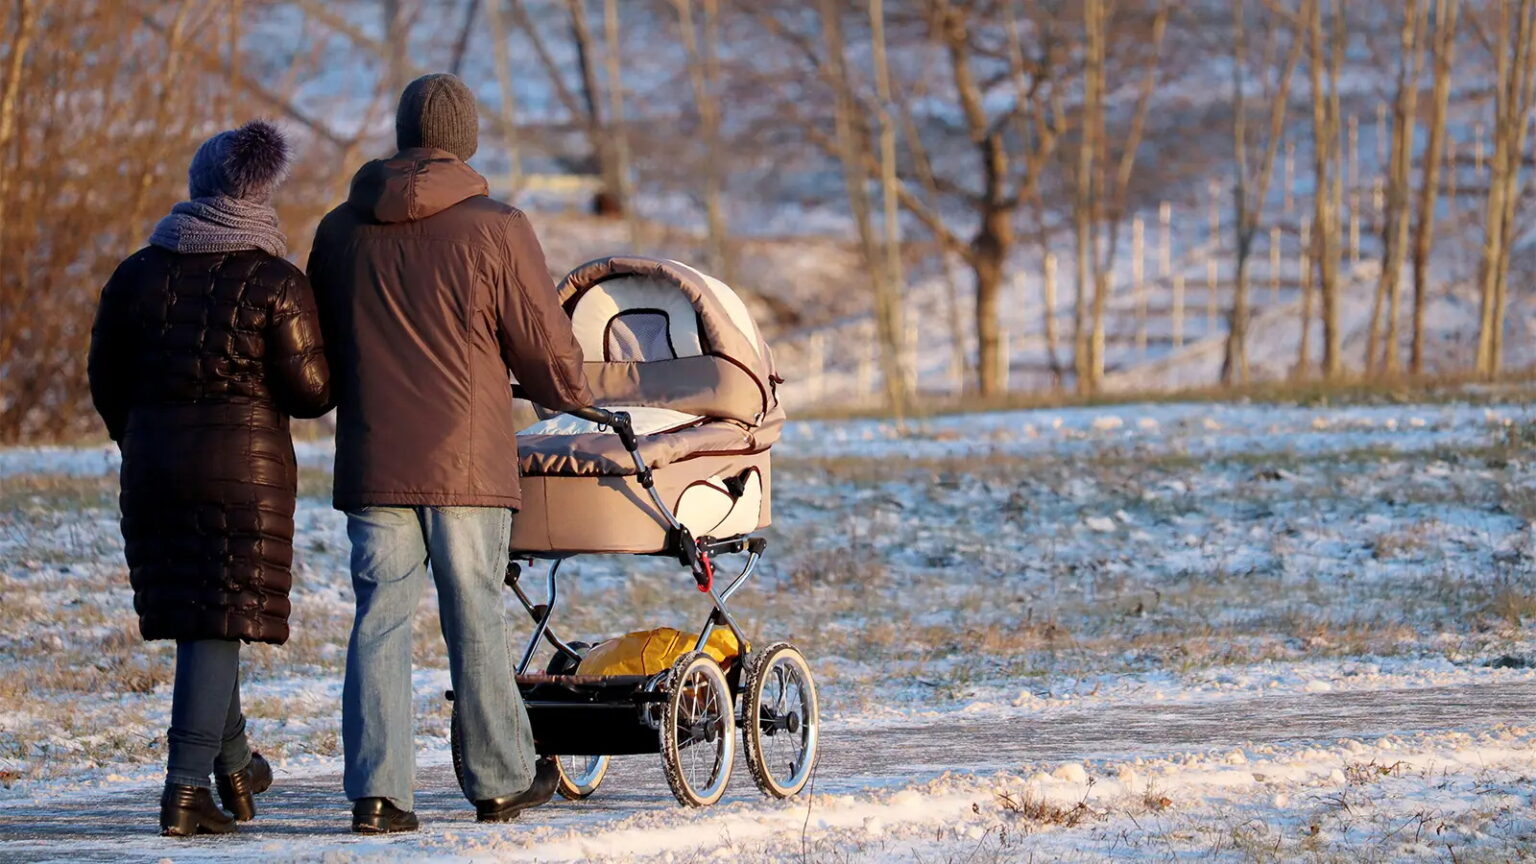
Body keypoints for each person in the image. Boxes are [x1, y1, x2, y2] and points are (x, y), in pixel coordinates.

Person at [307, 72, 594, 834]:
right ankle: (499, 781)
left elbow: (322, 352)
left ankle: (378, 793)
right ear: (465, 139)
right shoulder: (497, 227)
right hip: (466, 461)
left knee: (379, 618)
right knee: (474, 616)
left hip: (373, 456)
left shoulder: (339, 230)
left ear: (404, 134)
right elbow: (546, 356)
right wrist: (579, 391)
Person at [87, 121, 332, 836]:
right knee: (216, 621)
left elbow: (106, 376)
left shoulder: (138, 272)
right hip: (243, 474)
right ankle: (186, 788)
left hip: (155, 465)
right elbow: (313, 391)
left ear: (198, 190)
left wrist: (136, 437)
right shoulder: (276, 280)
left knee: (205, 615)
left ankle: (235, 764)